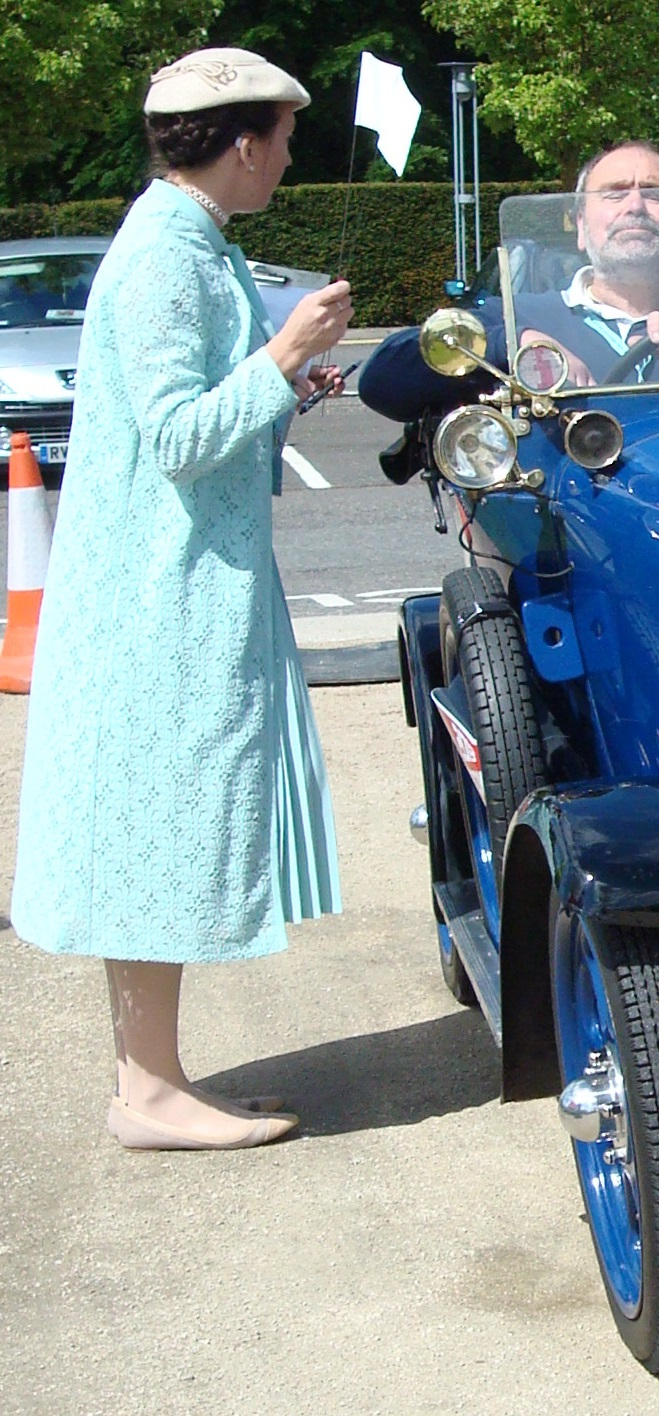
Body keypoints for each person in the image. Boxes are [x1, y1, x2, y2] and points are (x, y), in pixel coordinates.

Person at [9, 47, 353, 1150]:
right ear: (243, 142)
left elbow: (202, 414)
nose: (290, 159)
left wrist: (284, 376)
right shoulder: (168, 254)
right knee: (158, 832)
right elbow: (178, 437)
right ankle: (148, 1092)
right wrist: (282, 354)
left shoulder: (183, 243)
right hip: (159, 601)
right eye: (285, 138)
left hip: (170, 591)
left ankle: (153, 1079)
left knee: (156, 831)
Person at [359, 141, 659, 421]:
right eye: (613, 193)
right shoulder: (518, 317)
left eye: (656, 194)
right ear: (580, 226)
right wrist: (516, 348)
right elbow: (384, 381)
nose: (635, 206)